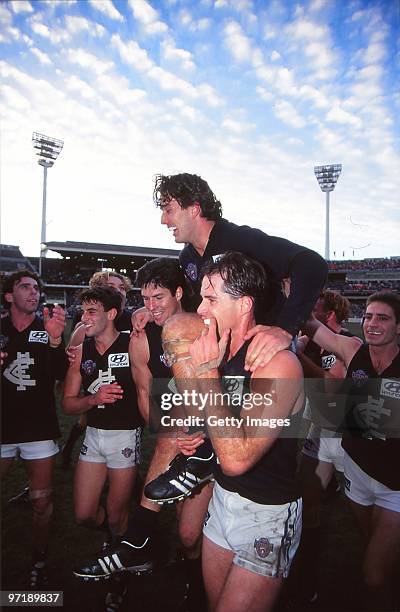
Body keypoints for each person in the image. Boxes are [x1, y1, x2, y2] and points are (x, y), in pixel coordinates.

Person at [139, 172, 327, 504]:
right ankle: (198, 448)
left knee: (235, 453)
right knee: (174, 429)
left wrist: (284, 328)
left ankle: (204, 448)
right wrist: (148, 313)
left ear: (195, 208)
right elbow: (196, 308)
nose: (163, 219)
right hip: (227, 355)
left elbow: (310, 264)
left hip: (260, 358)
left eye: (168, 209)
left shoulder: (238, 238)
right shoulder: (188, 260)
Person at [168, 252, 305, 612]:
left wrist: (209, 375)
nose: (200, 309)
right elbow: (212, 419)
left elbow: (238, 459)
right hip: (222, 501)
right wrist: (194, 434)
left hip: (267, 513)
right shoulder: (224, 348)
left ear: (244, 304)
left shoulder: (278, 362)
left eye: (211, 299)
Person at [73, 259, 211, 611]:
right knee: (185, 533)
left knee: (189, 532)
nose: (150, 307)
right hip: (174, 440)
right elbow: (145, 397)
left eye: (159, 298)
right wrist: (172, 433)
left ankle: (191, 583)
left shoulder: (203, 324)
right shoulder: (140, 340)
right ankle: (166, 560)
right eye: (145, 299)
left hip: (212, 441)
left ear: (179, 293)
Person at [303, 291, 400, 611]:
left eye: (382, 318)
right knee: (371, 544)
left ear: (398, 326)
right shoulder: (353, 348)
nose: (372, 323)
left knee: (372, 573)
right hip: (356, 471)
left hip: (394, 485)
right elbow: (312, 325)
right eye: (369, 316)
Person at [62, 287, 143, 608]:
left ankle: (119, 576)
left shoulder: (132, 342)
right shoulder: (80, 350)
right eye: (82, 312)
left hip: (125, 436)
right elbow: (68, 403)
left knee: (116, 514)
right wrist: (93, 399)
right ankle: (117, 540)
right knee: (84, 515)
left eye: (92, 311)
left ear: (111, 314)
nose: (84, 318)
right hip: (94, 436)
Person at [292, 290, 362, 603]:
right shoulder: (314, 341)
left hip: (346, 438)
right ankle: (306, 580)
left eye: (315, 305)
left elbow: (331, 383)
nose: (310, 309)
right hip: (317, 435)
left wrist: (298, 357)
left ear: (329, 311)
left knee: (364, 514)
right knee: (309, 508)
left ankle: (375, 574)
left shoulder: (345, 340)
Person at [1, 269, 68, 587]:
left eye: (36, 288)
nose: (32, 292)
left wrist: (56, 341)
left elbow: (60, 375)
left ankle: (38, 559)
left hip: (39, 427)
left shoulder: (48, 328)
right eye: (24, 287)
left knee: (41, 500)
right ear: (8, 296)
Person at [61, 271, 134, 469]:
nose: (118, 291)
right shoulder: (88, 322)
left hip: (128, 403)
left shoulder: (135, 319)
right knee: (88, 417)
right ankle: (69, 449)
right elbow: (73, 354)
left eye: (122, 288)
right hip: (98, 383)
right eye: (112, 287)